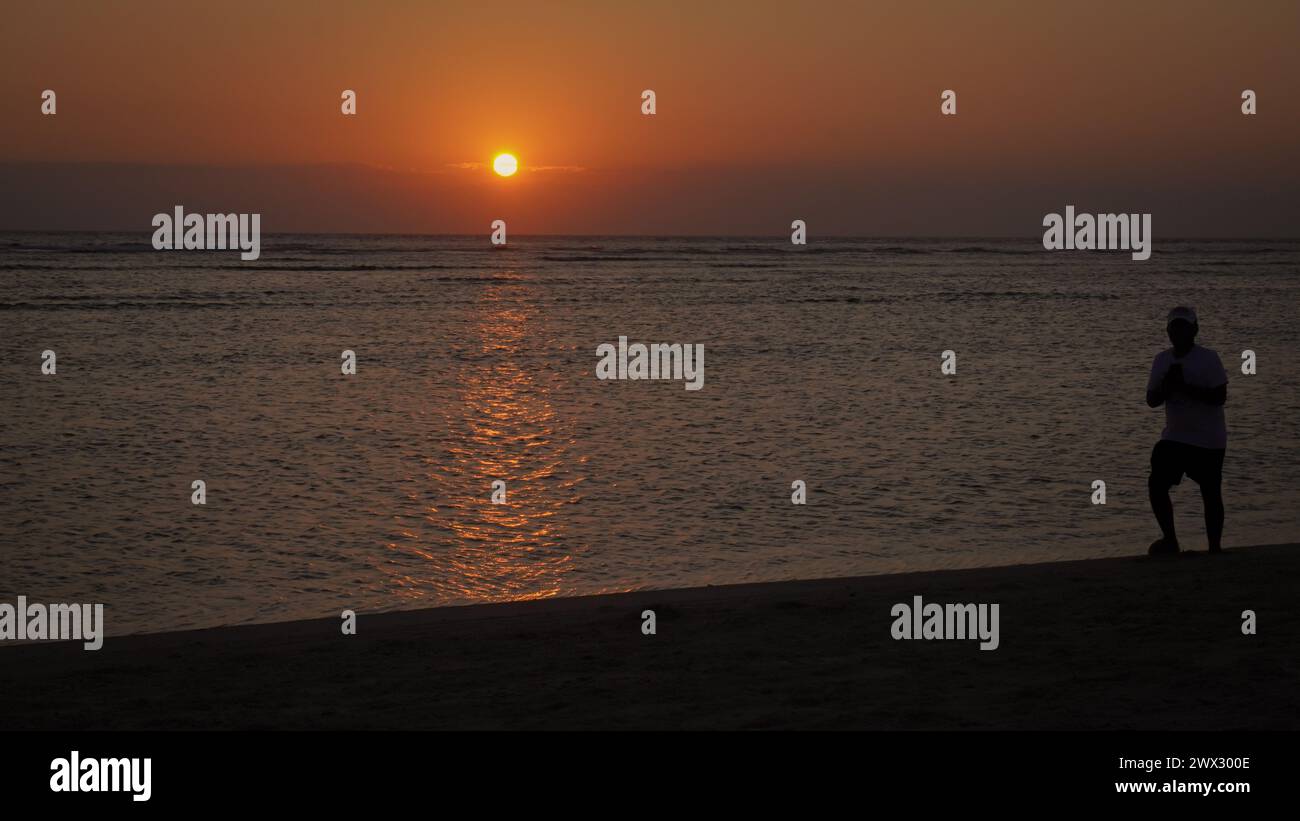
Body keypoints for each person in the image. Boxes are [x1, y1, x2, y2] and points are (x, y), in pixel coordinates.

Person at [1145, 306, 1228, 555]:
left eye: (1183, 327)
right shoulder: (1162, 360)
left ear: (1194, 330)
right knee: (1157, 482)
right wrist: (1168, 387)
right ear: (1168, 331)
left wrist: (1184, 387)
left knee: (1211, 491)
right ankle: (1170, 539)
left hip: (1208, 439)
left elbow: (1219, 397)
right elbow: (1152, 400)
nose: (1178, 332)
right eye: (1174, 327)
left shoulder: (1209, 358)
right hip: (1175, 437)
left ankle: (1215, 547)